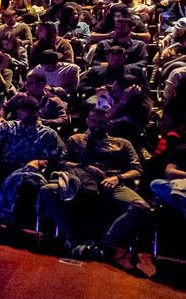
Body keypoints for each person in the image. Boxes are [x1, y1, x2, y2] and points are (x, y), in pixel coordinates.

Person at [37, 108, 150, 260]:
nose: (97, 125)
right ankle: (72, 236)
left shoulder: (122, 143)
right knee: (47, 190)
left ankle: (104, 242)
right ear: (87, 121)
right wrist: (84, 166)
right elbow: (62, 162)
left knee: (141, 207)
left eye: (102, 122)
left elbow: (137, 170)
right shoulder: (76, 139)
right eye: (94, 121)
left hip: (110, 183)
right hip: (79, 181)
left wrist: (118, 178)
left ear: (108, 123)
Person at [0, 95, 62, 228]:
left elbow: (53, 158)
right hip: (5, 164)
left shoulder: (48, 133)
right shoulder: (8, 126)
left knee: (31, 185)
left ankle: (17, 223)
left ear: (38, 112)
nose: (28, 114)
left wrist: (39, 162)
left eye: (32, 111)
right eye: (24, 110)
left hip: (28, 170)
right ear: (19, 112)